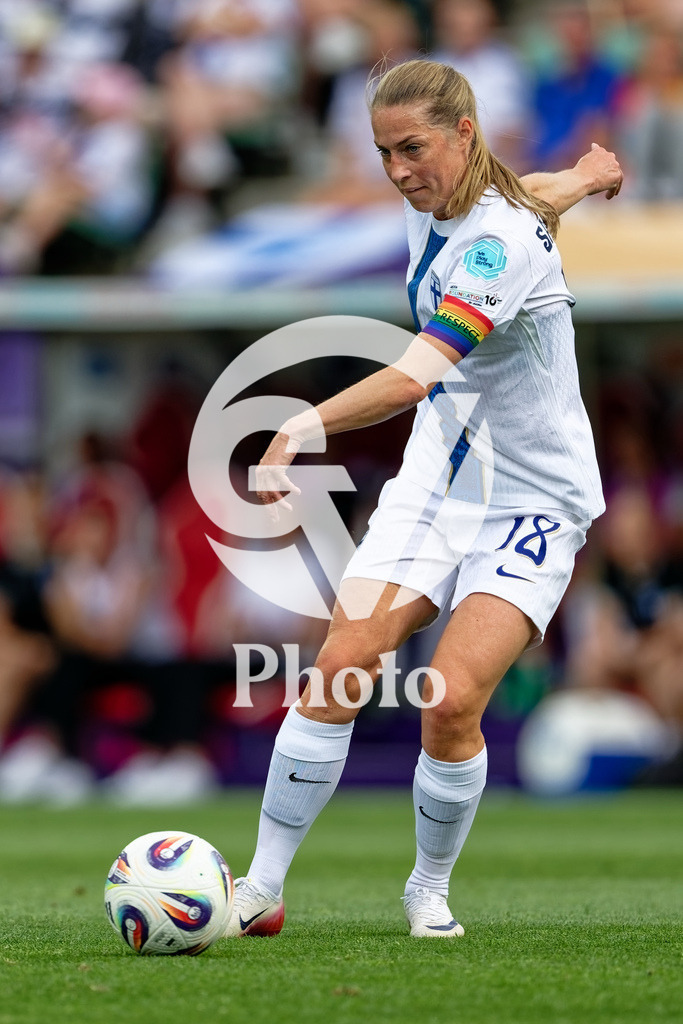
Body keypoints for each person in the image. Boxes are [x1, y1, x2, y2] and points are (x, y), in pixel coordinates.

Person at [223, 59, 623, 940]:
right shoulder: (450, 202)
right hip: (436, 486)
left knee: (448, 703)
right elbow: (535, 194)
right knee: (338, 667)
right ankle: (259, 886)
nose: (399, 171)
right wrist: (587, 178)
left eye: (413, 149)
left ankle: (427, 888)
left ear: (464, 134)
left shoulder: (501, 243)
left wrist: (298, 427)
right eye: (383, 152)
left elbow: (416, 374)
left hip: (532, 503)